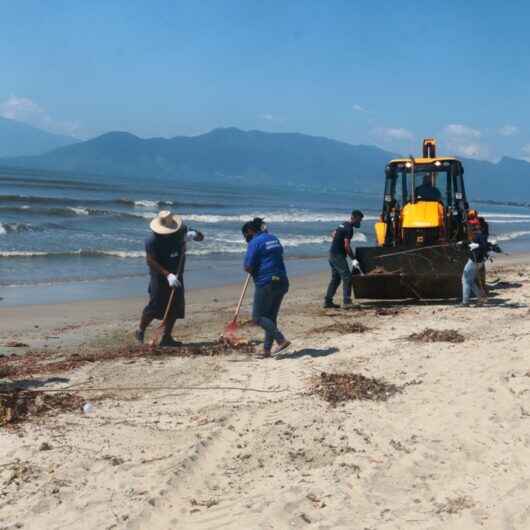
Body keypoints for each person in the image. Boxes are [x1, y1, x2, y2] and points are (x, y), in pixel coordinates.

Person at [135, 210, 204, 346]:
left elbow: (202, 237)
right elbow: (150, 261)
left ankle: (166, 337)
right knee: (155, 306)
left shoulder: (182, 230)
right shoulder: (152, 240)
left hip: (177, 273)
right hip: (159, 275)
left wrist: (194, 235)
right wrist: (167, 275)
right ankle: (140, 330)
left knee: (175, 305)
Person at [242, 217, 290, 358]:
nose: (246, 238)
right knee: (270, 317)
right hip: (282, 280)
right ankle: (267, 350)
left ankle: (281, 340)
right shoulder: (273, 238)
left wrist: (252, 268)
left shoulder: (254, 242)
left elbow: (248, 266)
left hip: (266, 282)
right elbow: (275, 255)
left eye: (246, 235)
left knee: (257, 317)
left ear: (250, 231)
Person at [324, 210, 364, 309]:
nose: (360, 223)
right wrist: (353, 259)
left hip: (332, 254)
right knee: (347, 277)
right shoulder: (349, 228)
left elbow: (333, 234)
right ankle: (347, 301)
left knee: (336, 279)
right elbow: (347, 246)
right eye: (359, 220)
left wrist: (338, 242)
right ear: (353, 218)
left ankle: (328, 301)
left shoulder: (343, 224)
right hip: (337, 256)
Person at [461, 227, 488, 307]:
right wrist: (463, 243)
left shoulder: (477, 237)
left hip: (474, 261)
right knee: (470, 281)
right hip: (480, 261)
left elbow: (481, 247)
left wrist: (476, 249)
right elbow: (476, 245)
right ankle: (481, 298)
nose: (468, 232)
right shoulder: (481, 236)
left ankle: (465, 302)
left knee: (465, 280)